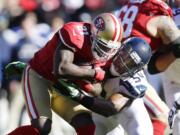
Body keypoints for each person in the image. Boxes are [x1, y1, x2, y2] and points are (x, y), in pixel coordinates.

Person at [6, 36, 153, 135]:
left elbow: (111, 108)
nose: (122, 62)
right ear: (119, 49)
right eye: (124, 55)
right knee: (86, 127)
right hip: (99, 111)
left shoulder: (134, 82)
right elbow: (70, 65)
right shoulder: (107, 54)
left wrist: (78, 95)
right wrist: (38, 68)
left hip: (129, 119)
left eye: (130, 63)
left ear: (137, 69)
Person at [6, 12, 123, 135]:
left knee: (87, 125)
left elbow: (95, 90)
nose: (105, 53)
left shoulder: (105, 55)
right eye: (103, 46)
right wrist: (94, 73)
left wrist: (87, 87)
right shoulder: (76, 33)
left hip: (62, 86)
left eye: (110, 49)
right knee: (42, 127)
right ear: (93, 35)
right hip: (39, 75)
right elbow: (61, 69)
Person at [112, 0, 180, 135]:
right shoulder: (160, 16)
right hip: (126, 73)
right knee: (161, 116)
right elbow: (156, 65)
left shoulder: (127, 7)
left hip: (111, 68)